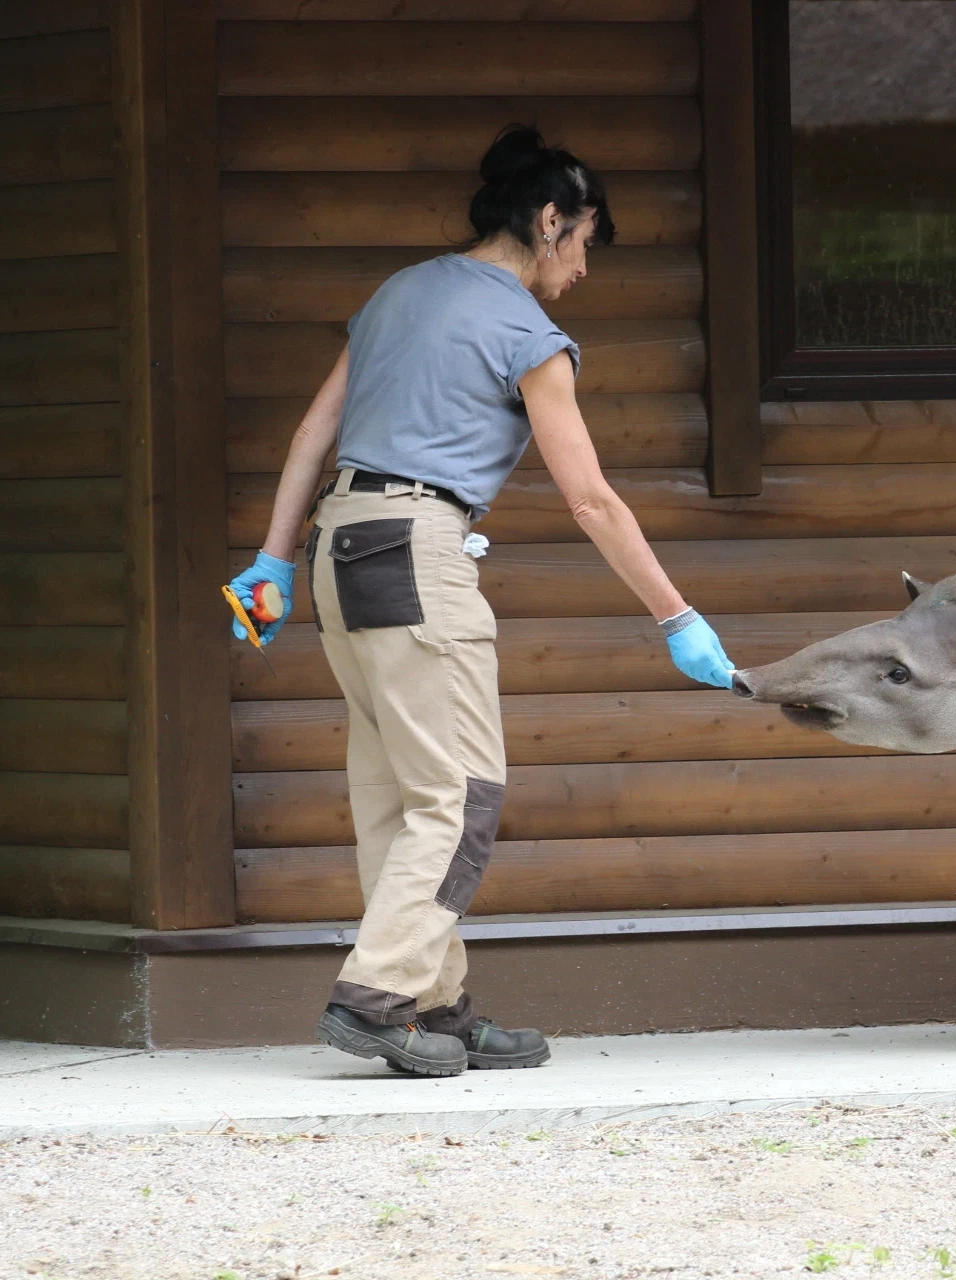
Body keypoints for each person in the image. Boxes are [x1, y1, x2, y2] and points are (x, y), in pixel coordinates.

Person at [225, 126, 737, 1077]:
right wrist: (676, 616)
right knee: (461, 799)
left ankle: (434, 1006)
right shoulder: (528, 336)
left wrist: (271, 560)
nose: (583, 267)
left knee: (397, 796)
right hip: (418, 551)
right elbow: (590, 499)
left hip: (338, 547)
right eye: (583, 242)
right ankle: (372, 999)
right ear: (550, 222)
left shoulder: (397, 292)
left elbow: (313, 430)